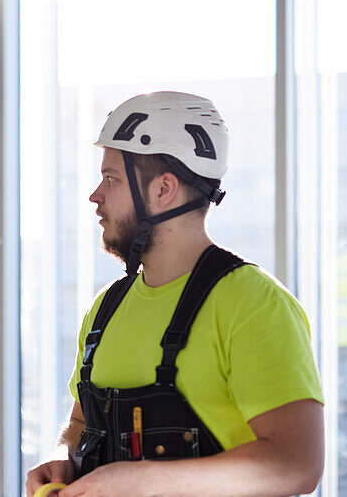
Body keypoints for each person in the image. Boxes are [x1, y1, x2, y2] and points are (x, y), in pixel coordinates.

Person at [26, 91, 324, 497]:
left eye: (111, 178)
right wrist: (62, 457)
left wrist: (146, 480)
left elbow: (297, 465)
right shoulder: (106, 308)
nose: (96, 195)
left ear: (164, 189)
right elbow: (81, 424)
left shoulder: (254, 304)